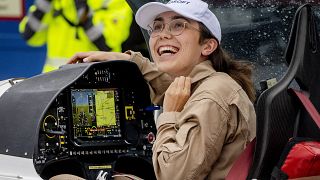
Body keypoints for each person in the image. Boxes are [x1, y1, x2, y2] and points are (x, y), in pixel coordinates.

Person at [69, 0, 256, 179]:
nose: (163, 35)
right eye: (157, 27)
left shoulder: (210, 98)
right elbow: (166, 84)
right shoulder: (205, 83)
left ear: (207, 46)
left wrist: (170, 114)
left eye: (178, 25)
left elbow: (172, 176)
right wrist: (128, 61)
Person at [19, 0, 139, 72]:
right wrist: (44, 4)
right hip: (52, 82)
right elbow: (30, 36)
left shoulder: (114, 2)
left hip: (97, 81)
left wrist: (84, 13)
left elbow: (107, 43)